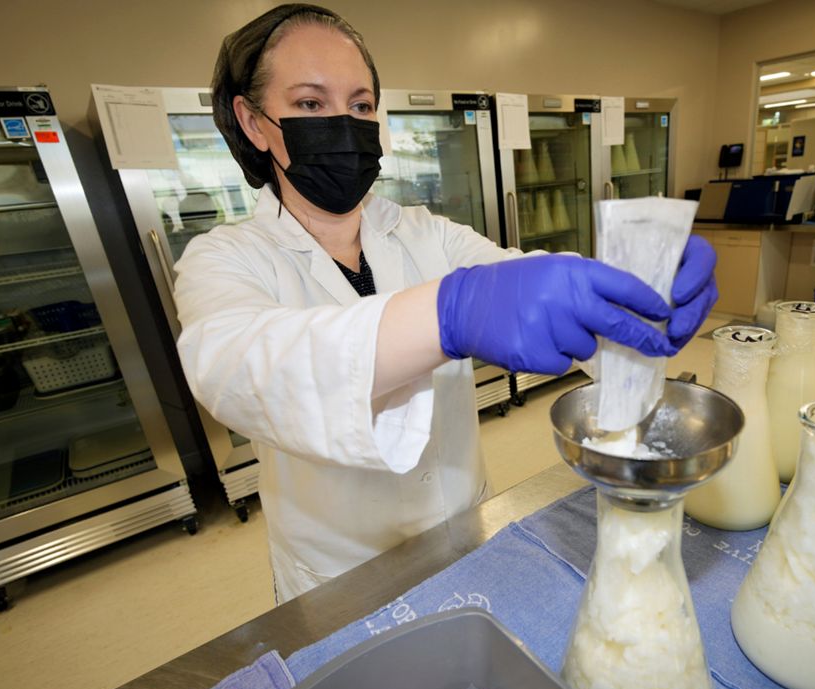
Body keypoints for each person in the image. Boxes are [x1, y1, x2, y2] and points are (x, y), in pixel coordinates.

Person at [175, 3, 719, 602]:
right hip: (338, 576)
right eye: (310, 104)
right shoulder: (224, 257)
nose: (345, 124)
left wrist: (637, 290)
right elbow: (236, 367)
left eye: (360, 105)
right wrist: (446, 314)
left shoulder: (426, 233)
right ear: (253, 123)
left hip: (466, 534)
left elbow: (529, 279)